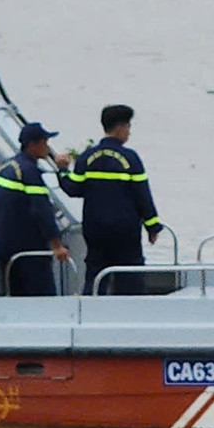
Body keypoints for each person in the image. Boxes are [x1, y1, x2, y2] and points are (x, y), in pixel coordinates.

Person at [61, 104, 162, 295]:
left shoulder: (86, 157)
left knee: (96, 274)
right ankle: (132, 314)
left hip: (95, 228)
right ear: (120, 127)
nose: (129, 133)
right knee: (130, 275)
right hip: (125, 229)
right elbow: (142, 195)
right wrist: (153, 226)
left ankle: (90, 312)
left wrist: (62, 171)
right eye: (128, 127)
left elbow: (73, 189)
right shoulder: (130, 158)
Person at [0, 123, 70, 296]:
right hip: (29, 250)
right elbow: (40, 209)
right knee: (42, 297)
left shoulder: (7, 167)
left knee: (18, 296)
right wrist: (57, 245)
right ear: (31, 145)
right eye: (44, 142)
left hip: (7, 247)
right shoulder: (29, 172)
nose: (47, 147)